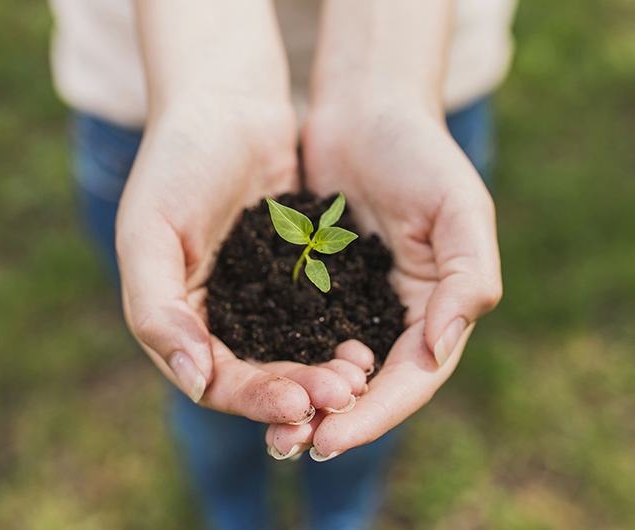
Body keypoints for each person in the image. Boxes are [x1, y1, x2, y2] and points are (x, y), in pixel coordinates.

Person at [48, 1, 514, 528]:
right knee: (205, 384)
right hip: (148, 95)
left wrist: (385, 85)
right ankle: (234, 514)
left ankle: (339, 514)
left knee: (357, 408)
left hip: (426, 73)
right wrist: (210, 90)